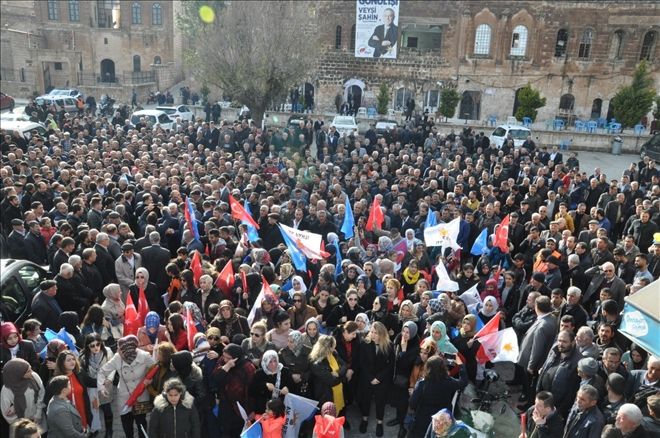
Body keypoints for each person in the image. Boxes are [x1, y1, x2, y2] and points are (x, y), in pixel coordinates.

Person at [97, 335, 156, 438]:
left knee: (141, 423)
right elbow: (102, 371)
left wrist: (149, 380)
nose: (118, 350)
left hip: (140, 396)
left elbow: (156, 370)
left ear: (128, 350)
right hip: (124, 397)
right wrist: (102, 387)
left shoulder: (145, 356)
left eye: (120, 348)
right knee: (126, 425)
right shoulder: (117, 358)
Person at [407, 355, 468, 438]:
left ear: (428, 368)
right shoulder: (449, 381)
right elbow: (463, 382)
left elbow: (412, 403)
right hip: (441, 420)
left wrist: (413, 394)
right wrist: (461, 365)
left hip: (423, 419)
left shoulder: (422, 384)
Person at [358, 321, 394, 437]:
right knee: (365, 399)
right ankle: (364, 419)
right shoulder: (365, 343)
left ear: (382, 334)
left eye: (376, 333)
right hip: (367, 378)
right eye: (371, 332)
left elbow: (390, 365)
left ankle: (379, 422)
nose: (372, 335)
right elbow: (362, 363)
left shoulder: (389, 345)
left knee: (380, 401)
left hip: (382, 379)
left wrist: (379, 378)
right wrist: (370, 378)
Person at [79, 334, 114, 438]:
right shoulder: (83, 355)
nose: (96, 347)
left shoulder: (107, 351)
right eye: (92, 345)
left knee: (107, 408)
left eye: (98, 344)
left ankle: (109, 431)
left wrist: (109, 379)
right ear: (88, 346)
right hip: (92, 386)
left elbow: (112, 367)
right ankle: (94, 429)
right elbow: (83, 372)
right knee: (93, 408)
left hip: (105, 385)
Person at [1, 358, 46, 433]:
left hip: (38, 420)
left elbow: (41, 395)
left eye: (30, 368)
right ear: (18, 374)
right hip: (22, 430)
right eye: (28, 371)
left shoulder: (34, 377)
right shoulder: (7, 389)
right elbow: (6, 413)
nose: (31, 372)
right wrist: (23, 426)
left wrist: (38, 414)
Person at [249, 349, 294, 415]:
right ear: (265, 362)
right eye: (270, 362)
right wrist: (265, 385)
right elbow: (251, 392)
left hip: (281, 409)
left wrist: (287, 388)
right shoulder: (259, 373)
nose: (273, 364)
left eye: (275, 361)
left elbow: (293, 387)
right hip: (264, 410)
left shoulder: (285, 371)